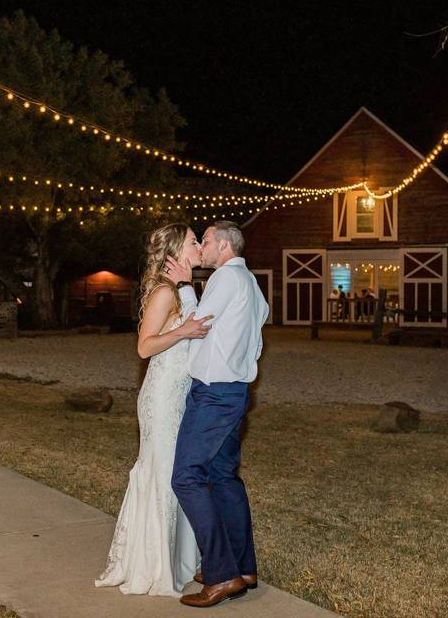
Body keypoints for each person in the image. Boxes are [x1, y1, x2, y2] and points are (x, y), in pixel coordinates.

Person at [95, 223, 210, 597]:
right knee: (160, 475)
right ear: (177, 250)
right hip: (161, 398)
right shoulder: (164, 291)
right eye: (195, 242)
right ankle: (154, 565)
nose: (200, 247)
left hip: (179, 396)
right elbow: (144, 348)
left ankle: (179, 560)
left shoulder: (180, 291)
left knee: (175, 476)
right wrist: (183, 332)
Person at [164, 221, 269, 607]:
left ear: (224, 246)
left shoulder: (226, 279)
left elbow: (199, 326)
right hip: (236, 392)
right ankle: (243, 567)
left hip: (213, 395)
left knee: (187, 477)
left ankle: (221, 573)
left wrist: (184, 285)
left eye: (205, 240)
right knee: (224, 477)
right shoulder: (252, 286)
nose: (202, 247)